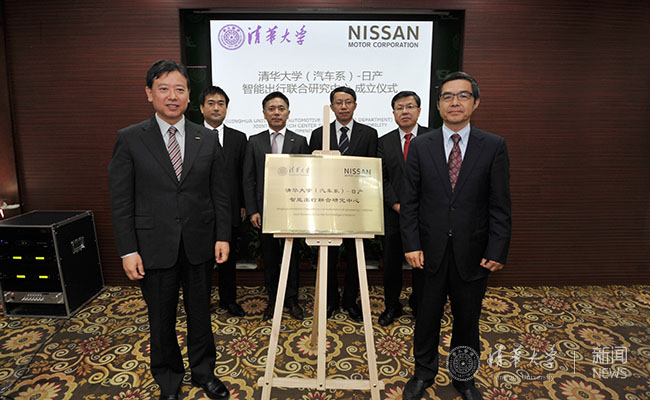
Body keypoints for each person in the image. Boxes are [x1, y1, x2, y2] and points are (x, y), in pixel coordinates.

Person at [108, 60, 231, 400]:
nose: (172, 96)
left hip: (199, 243)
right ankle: (168, 380)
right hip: (152, 245)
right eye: (164, 89)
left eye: (179, 89)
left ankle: (204, 372)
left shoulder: (207, 138)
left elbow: (220, 194)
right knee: (161, 320)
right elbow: (121, 200)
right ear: (149, 94)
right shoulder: (130, 139)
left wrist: (222, 236)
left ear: (189, 96)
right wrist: (128, 250)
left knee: (200, 315)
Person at [401, 72, 511, 400]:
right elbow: (410, 201)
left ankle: (464, 377)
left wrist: (497, 248)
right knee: (426, 317)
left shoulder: (493, 146)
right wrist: (411, 244)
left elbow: (500, 203)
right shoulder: (421, 145)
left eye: (463, 96)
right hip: (428, 252)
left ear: (475, 103)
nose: (455, 102)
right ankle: (423, 373)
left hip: (473, 252)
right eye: (447, 96)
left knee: (467, 319)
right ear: (438, 105)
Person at [309, 86, 378, 322]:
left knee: (355, 257)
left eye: (348, 102)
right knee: (327, 256)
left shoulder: (369, 134)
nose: (344, 106)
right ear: (332, 107)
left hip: (357, 206)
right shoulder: (319, 134)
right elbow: (313, 171)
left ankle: (350, 300)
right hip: (328, 205)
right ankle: (330, 300)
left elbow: (372, 171)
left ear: (355, 105)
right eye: (339, 102)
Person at [242, 91, 309, 321]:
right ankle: (273, 300)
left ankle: (291, 299)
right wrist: (253, 210)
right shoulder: (254, 141)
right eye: (271, 109)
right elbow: (248, 179)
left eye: (281, 108)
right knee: (270, 258)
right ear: (264, 113)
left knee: (292, 257)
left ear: (288, 113)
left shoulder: (299, 141)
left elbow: (306, 178)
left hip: (292, 211)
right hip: (265, 212)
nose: (276, 113)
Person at [376, 90, 428, 327]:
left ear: (419, 110)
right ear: (393, 113)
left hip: (425, 215)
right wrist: (396, 204)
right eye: (399, 108)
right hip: (393, 214)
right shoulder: (384, 141)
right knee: (392, 265)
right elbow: (381, 178)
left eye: (410, 107)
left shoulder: (433, 137)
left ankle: (419, 305)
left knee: (423, 264)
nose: (405, 111)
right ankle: (391, 305)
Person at [199, 85, 247, 317]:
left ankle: (229, 300)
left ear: (227, 108)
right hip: (199, 210)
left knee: (228, 259)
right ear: (201, 108)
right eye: (211, 103)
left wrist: (243, 205)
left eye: (221, 104)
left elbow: (243, 175)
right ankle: (200, 301)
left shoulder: (239, 138)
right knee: (201, 260)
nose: (216, 108)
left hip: (229, 210)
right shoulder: (191, 135)